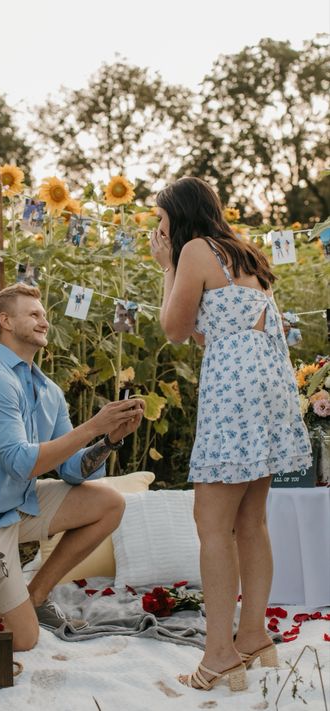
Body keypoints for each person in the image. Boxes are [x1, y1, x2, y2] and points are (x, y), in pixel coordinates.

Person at [150, 177, 311, 692]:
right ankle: (253, 637)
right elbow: (212, 331)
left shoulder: (195, 251)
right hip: (268, 387)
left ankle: (218, 654)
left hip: (234, 394)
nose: (158, 231)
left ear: (180, 215)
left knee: (212, 522)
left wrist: (168, 268)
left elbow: (175, 330)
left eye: (161, 221)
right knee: (251, 519)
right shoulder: (246, 253)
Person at [0, 282, 144, 651]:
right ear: (5, 321)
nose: (44, 321)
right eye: (33, 314)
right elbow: (20, 463)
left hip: (18, 506)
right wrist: (92, 425)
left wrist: (109, 439)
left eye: (44, 314)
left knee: (109, 502)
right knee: (23, 639)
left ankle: (36, 596)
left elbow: (72, 472)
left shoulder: (48, 390)